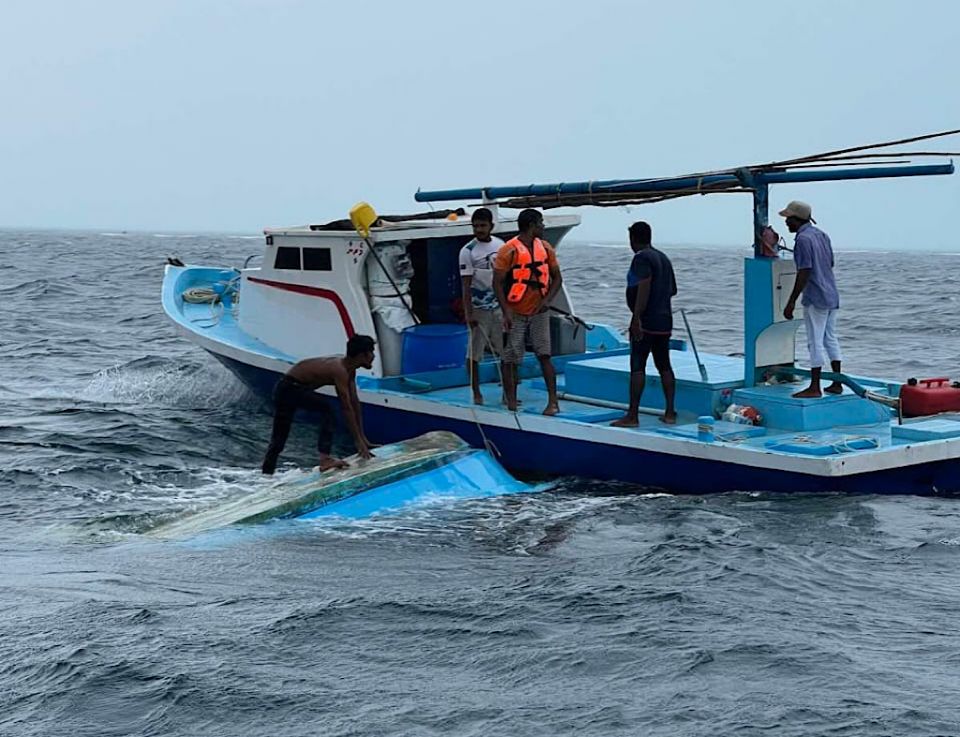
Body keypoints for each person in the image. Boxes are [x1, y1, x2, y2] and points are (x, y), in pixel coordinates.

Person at [261, 334, 377, 475]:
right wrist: (357, 442)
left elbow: (354, 403)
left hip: (291, 388)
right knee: (326, 409)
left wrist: (363, 439)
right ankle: (325, 460)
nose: (373, 356)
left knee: (278, 441)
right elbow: (346, 407)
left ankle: (266, 474)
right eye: (371, 352)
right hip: (289, 388)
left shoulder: (349, 368)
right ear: (361, 355)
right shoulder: (339, 370)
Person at [493, 208, 562, 415]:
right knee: (511, 357)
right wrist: (505, 311)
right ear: (532, 226)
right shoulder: (508, 251)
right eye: (541, 223)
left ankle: (553, 402)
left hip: (539, 311)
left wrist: (547, 301)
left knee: (545, 355)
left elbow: (557, 278)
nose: (543, 227)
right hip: (515, 311)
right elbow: (497, 283)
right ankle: (511, 401)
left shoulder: (546, 248)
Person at [612, 221, 678, 427]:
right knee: (664, 365)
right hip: (664, 319)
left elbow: (643, 285)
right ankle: (669, 412)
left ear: (633, 239)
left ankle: (632, 415)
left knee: (638, 366)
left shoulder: (641, 258)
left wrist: (636, 318)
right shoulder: (663, 258)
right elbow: (673, 290)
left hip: (646, 321)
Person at [780, 200, 844, 398]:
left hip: (816, 296)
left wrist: (791, 301)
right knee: (830, 339)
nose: (786, 222)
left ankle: (815, 387)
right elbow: (830, 262)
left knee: (814, 341)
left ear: (797, 219)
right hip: (832, 294)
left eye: (788, 218)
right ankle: (837, 382)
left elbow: (804, 271)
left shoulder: (803, 240)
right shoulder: (821, 235)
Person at [458, 208, 505, 405]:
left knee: (505, 351)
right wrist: (469, 313)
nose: (479, 229)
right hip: (479, 308)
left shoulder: (501, 245)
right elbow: (466, 285)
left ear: (491, 226)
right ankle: (476, 392)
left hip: (498, 307)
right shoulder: (467, 251)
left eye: (483, 225)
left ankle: (507, 392)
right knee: (474, 354)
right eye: (475, 226)